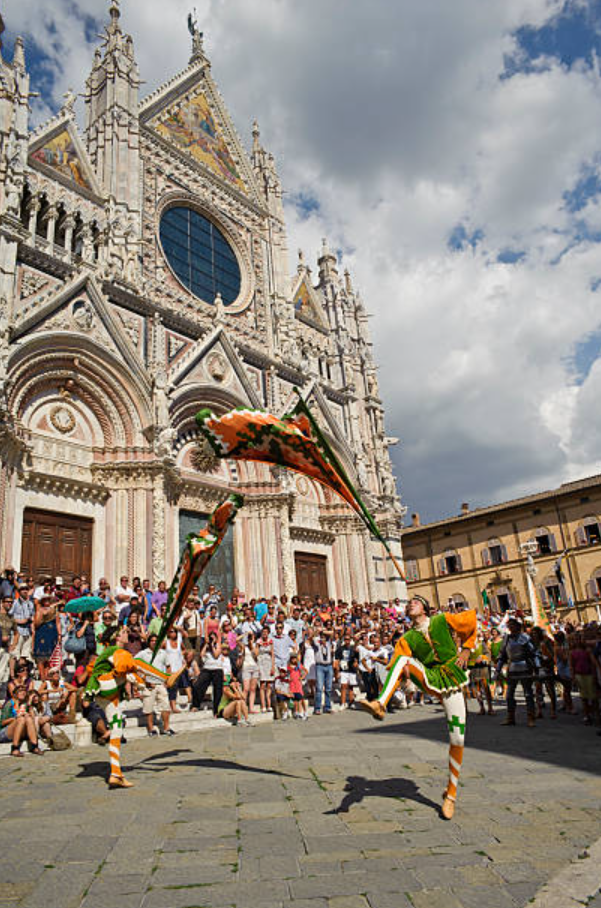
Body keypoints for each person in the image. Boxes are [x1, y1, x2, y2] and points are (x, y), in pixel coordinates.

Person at [360, 595, 477, 821]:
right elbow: (397, 661)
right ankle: (380, 703)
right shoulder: (407, 637)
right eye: (408, 603)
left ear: (424, 607)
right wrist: (404, 674)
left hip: (452, 677)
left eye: (414, 601)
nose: (410, 604)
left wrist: (466, 649)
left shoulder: (443, 620)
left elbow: (471, 624)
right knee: (403, 661)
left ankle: (450, 794)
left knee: (457, 739)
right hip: (429, 676)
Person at [85, 625, 181, 788]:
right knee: (135, 662)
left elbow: (129, 673)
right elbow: (127, 667)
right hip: (107, 685)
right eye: (123, 633)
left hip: (106, 694)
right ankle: (166, 677)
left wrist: (143, 682)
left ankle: (115, 773)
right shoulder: (116, 651)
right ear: (116, 637)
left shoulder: (111, 652)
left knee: (116, 729)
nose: (127, 634)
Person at [495, 617, 537, 728]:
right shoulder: (506, 639)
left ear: (517, 626)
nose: (511, 627)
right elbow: (502, 656)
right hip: (512, 667)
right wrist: (497, 670)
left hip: (524, 666)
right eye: (509, 626)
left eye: (513, 625)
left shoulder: (525, 637)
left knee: (528, 694)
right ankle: (510, 717)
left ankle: (531, 717)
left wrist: (537, 667)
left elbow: (534, 653)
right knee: (509, 695)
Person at [137, 634, 173, 737]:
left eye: (156, 640)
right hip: (148, 684)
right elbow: (134, 664)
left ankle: (166, 728)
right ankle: (151, 729)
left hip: (161, 683)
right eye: (152, 640)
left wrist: (167, 680)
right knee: (148, 708)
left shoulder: (163, 653)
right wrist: (142, 679)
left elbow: (168, 666)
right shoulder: (143, 653)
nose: (154, 642)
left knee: (165, 706)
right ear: (149, 642)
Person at [0, 685, 44, 757]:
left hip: (22, 729)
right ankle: (15, 748)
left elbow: (33, 719)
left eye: (24, 691)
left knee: (28, 719)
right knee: (21, 719)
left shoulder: (25, 704)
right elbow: (2, 723)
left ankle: (34, 745)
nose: (23, 693)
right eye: (20, 691)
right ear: (15, 694)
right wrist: (15, 719)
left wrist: (29, 705)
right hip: (5, 732)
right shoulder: (9, 704)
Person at [192, 632, 224, 715]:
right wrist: (206, 644)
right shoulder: (206, 647)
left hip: (217, 669)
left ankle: (216, 710)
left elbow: (216, 655)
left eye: (213, 638)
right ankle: (196, 704)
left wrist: (213, 645)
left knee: (217, 690)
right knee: (198, 685)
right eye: (210, 637)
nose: (212, 639)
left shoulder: (218, 645)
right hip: (207, 669)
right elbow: (201, 655)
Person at [32, 596, 61, 681]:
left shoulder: (55, 611)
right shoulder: (39, 611)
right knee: (40, 658)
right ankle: (42, 677)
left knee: (50, 658)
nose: (47, 602)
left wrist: (59, 635)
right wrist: (42, 615)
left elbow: (58, 623)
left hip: (52, 635)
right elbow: (36, 624)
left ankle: (48, 677)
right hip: (41, 634)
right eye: (45, 600)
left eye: (48, 600)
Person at [334, 630, 359, 709]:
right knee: (343, 686)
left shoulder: (353, 648)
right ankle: (343, 703)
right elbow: (337, 661)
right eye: (345, 639)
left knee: (351, 687)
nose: (347, 641)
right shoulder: (340, 649)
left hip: (352, 670)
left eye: (348, 639)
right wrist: (337, 672)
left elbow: (357, 658)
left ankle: (351, 703)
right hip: (343, 669)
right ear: (343, 640)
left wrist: (356, 663)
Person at [313, 631, 334, 715]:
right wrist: (319, 631)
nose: (323, 639)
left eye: (324, 637)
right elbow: (314, 637)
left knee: (328, 688)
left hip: (329, 666)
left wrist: (324, 631)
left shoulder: (329, 643)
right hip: (320, 666)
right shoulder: (317, 644)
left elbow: (332, 633)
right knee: (319, 688)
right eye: (321, 637)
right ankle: (317, 708)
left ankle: (328, 707)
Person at [257, 626, 275, 713]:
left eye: (266, 632)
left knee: (269, 685)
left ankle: (269, 704)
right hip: (261, 662)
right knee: (262, 685)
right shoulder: (258, 641)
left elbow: (272, 654)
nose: (264, 633)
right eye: (263, 631)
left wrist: (272, 667)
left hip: (268, 663)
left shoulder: (271, 641)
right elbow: (256, 653)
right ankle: (263, 705)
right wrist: (257, 645)